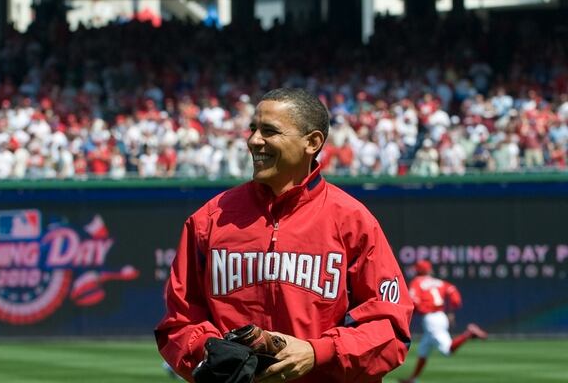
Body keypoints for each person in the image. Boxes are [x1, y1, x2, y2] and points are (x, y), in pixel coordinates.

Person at [156, 88, 413, 383]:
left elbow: (389, 329)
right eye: (253, 129)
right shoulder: (209, 219)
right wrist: (208, 348)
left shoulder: (352, 221)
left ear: (312, 142)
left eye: (270, 131)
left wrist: (318, 352)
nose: (254, 141)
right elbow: (178, 323)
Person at [399, 260, 487, 383]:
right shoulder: (439, 282)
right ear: (429, 270)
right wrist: (451, 310)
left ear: (418, 270)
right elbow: (453, 292)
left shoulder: (416, 282)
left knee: (448, 351)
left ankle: (468, 333)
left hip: (431, 320)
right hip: (440, 315)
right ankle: (413, 379)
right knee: (423, 350)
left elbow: (413, 302)